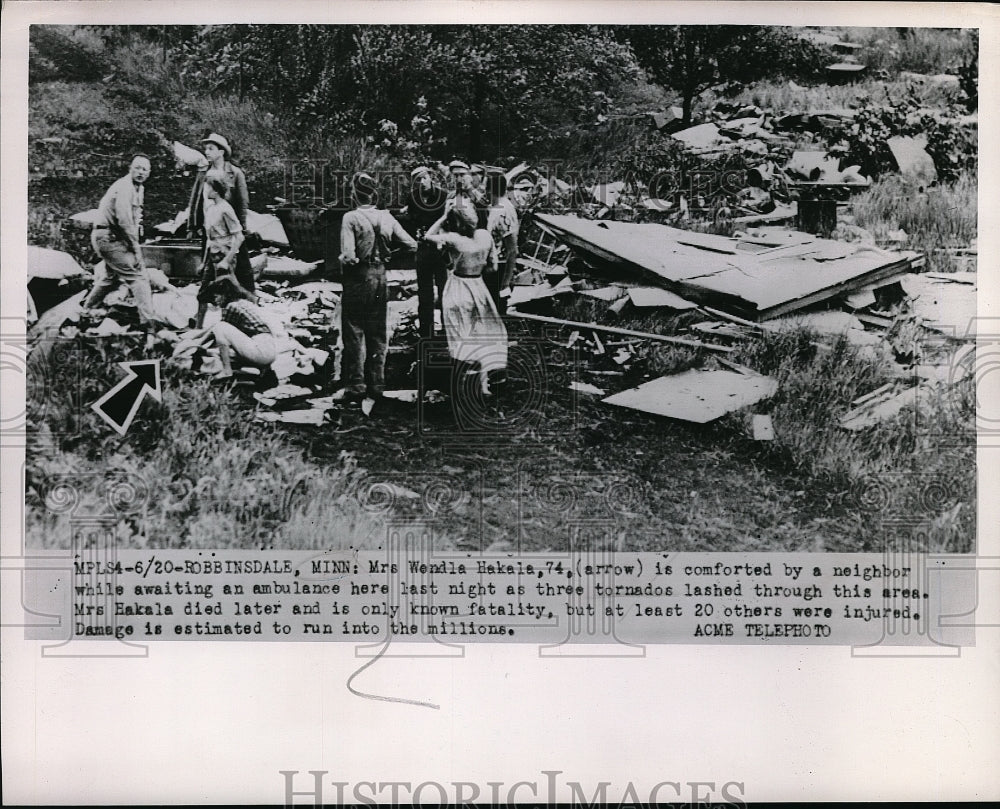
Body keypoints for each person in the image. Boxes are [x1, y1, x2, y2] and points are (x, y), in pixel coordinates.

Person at [338, 172, 418, 401]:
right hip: (381, 275)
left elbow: (349, 255)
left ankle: (356, 383)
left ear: (354, 194)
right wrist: (389, 254)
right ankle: (378, 383)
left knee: (354, 329)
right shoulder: (387, 217)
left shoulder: (350, 218)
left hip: (358, 276)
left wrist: (343, 259)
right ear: (374, 194)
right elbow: (411, 245)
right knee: (378, 330)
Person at [424, 205, 508, 396]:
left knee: (461, 336)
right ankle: (483, 385)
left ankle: (466, 386)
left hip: (459, 287)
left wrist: (443, 217)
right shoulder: (485, 236)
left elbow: (427, 236)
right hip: (478, 287)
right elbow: (492, 268)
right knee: (482, 334)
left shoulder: (454, 238)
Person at [82, 154, 159, 328]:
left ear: (149, 173)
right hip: (107, 236)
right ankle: (149, 324)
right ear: (130, 169)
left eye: (144, 169)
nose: (140, 172)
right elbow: (125, 221)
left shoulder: (139, 189)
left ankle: (85, 311)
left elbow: (135, 219)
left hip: (114, 237)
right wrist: (136, 250)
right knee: (138, 276)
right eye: (137, 168)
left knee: (110, 278)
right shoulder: (124, 187)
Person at [186, 133, 255, 296]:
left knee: (242, 265)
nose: (207, 152)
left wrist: (242, 227)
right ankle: (213, 299)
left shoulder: (235, 173)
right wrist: (192, 226)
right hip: (210, 227)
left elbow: (242, 202)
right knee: (211, 267)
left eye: (211, 148)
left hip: (230, 227)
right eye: (206, 149)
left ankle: (249, 296)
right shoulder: (204, 174)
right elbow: (195, 200)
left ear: (222, 152)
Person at [193, 171, 252, 328]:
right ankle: (197, 328)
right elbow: (209, 240)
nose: (206, 190)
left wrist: (226, 261)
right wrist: (203, 262)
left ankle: (229, 329)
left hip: (224, 257)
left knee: (226, 297)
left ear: (216, 190)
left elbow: (239, 237)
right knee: (203, 293)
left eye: (208, 187)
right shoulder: (210, 209)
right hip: (212, 257)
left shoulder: (226, 209)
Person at [403, 166, 449, 339]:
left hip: (440, 248)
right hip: (423, 248)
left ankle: (447, 331)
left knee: (445, 289)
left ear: (431, 178)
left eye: (424, 178)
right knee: (424, 291)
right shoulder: (412, 198)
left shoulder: (443, 195)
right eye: (418, 180)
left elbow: (449, 219)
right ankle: (426, 333)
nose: (422, 183)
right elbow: (410, 220)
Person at [484, 172, 520, 315]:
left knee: (494, 314)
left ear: (489, 189)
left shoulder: (502, 212)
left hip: (499, 268)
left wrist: (506, 281)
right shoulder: (499, 208)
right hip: (496, 266)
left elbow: (512, 249)